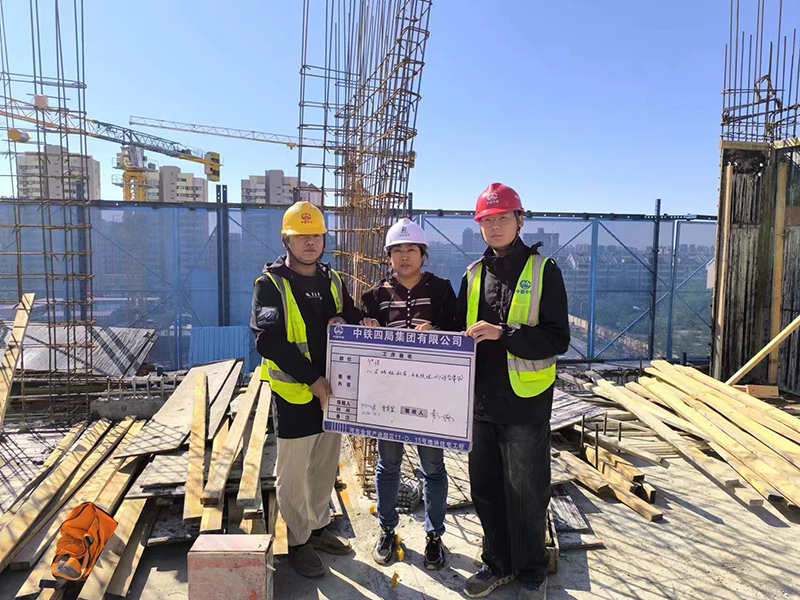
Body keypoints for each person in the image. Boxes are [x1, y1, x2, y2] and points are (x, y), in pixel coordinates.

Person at [457, 183, 570, 600]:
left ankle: (531, 569)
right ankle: (497, 563)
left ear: (520, 220)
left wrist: (503, 333)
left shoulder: (544, 270)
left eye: (502, 218)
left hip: (524, 403)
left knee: (526, 492)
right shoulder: (473, 274)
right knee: (485, 489)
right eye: (487, 221)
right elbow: (460, 330)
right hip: (481, 403)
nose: (495, 227)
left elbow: (557, 337)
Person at [250, 201, 362, 578]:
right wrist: (312, 380)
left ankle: (317, 526)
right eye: (302, 236)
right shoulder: (270, 285)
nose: (310, 242)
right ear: (286, 240)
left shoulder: (332, 280)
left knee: (324, 465)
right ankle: (298, 540)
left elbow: (352, 314)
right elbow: (267, 340)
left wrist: (346, 317)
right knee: (293, 472)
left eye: (316, 235)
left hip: (333, 391)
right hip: (296, 393)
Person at [361, 217, 458, 570]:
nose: (404, 256)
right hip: (390, 398)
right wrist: (367, 325)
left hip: (429, 397)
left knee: (432, 467)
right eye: (397, 250)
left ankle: (434, 536)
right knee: (388, 465)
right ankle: (387, 530)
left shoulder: (442, 290)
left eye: (411, 250)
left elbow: (459, 331)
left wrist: (438, 331)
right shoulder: (375, 296)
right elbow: (362, 343)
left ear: (423, 254)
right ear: (389, 256)